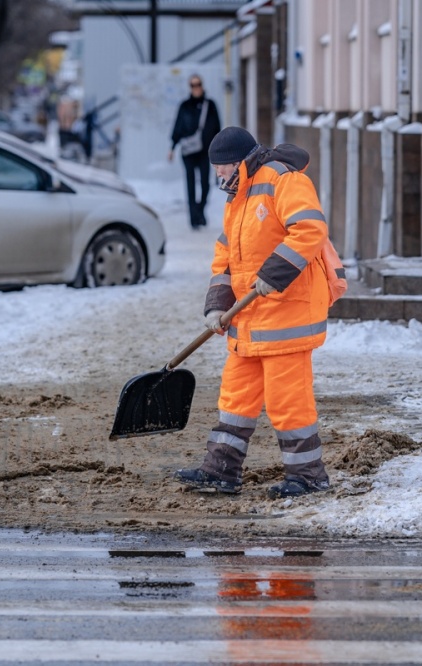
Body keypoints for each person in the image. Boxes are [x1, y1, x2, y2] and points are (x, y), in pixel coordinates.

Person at [173, 126, 337, 500]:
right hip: (247, 319)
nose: (218, 175)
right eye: (215, 168)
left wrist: (272, 274)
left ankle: (308, 477)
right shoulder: (237, 197)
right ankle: (221, 470)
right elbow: (225, 255)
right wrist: (217, 304)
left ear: (241, 162)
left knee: (288, 403)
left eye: (223, 167)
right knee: (235, 399)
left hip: (286, 317)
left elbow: (310, 230)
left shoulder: (284, 181)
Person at [169, 75, 221, 229]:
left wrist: (218, 149)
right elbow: (177, 127)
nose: (196, 87)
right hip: (188, 152)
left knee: (205, 184)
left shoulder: (210, 105)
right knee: (190, 183)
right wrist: (172, 147)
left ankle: (199, 210)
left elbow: (217, 128)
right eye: (192, 85)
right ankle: (194, 219)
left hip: (205, 151)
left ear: (202, 86)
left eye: (198, 84)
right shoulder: (184, 106)